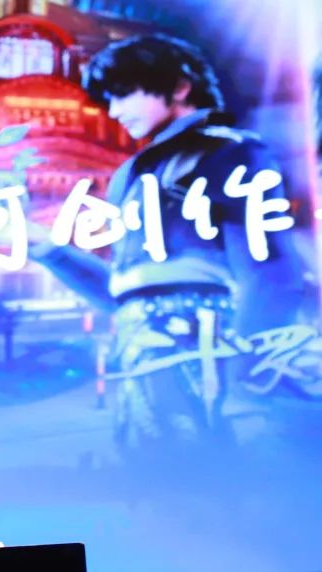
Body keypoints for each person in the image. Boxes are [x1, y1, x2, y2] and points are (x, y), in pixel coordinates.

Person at [28, 34, 305, 455]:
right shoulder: (129, 177)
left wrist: (243, 376)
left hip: (211, 362)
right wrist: (47, 249)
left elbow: (269, 273)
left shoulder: (229, 152)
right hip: (144, 373)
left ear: (179, 87)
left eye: (124, 93)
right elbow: (126, 293)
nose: (114, 111)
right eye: (109, 98)